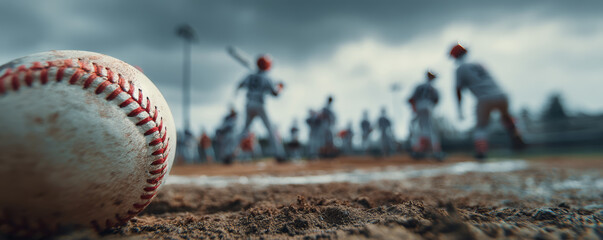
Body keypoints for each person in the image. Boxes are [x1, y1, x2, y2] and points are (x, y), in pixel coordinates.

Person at [450, 43, 526, 161]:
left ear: (455, 57)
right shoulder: (478, 63)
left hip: (484, 98)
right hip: (502, 95)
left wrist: (459, 109)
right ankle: (517, 134)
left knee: (481, 127)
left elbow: (458, 90)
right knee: (506, 117)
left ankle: (481, 152)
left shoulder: (460, 69)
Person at [234, 55, 287, 162]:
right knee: (270, 130)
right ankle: (279, 154)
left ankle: (229, 152)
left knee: (243, 130)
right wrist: (280, 87)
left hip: (249, 104)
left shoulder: (250, 76)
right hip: (260, 104)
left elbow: (239, 85)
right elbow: (275, 93)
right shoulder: (267, 77)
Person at [408, 70, 444, 161]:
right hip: (428, 106)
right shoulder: (433, 88)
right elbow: (436, 100)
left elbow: (411, 99)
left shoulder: (419, 86)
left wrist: (414, 108)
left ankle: (420, 148)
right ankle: (434, 150)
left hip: (419, 106)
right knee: (428, 128)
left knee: (421, 127)